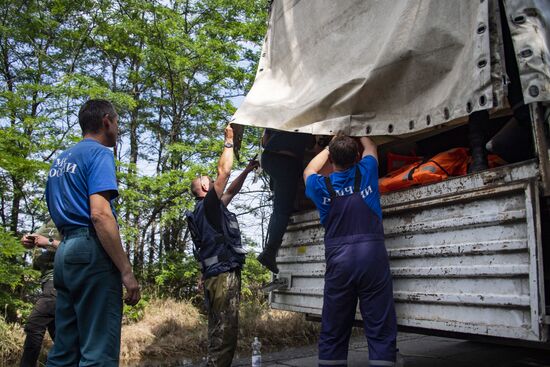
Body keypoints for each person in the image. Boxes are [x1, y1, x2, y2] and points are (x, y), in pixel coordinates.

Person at [45, 99, 140, 366]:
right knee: (98, 353)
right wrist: (125, 270)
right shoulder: (99, 154)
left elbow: (55, 209)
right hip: (90, 252)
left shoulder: (59, 161)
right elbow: (99, 214)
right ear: (106, 120)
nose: (118, 130)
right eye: (118, 123)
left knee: (65, 351)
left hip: (65, 255)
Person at [304, 135, 397, 367]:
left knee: (334, 327)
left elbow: (309, 169)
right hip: (371, 258)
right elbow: (371, 146)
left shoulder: (320, 185)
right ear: (357, 157)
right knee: (379, 326)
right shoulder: (366, 171)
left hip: (339, 263)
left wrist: (329, 145)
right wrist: (357, 131)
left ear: (331, 159)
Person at [186, 124, 258, 367]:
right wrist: (229, 141)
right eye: (211, 181)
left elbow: (231, 190)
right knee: (225, 332)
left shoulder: (206, 211)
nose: (215, 182)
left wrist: (248, 169)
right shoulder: (208, 207)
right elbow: (224, 173)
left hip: (212, 276)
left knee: (217, 329)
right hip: (222, 276)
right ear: (206, 188)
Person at [258, 129, 315, 274]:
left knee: (279, 205)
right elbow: (312, 146)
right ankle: (269, 253)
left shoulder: (281, 115)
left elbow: (264, 142)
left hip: (269, 158)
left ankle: (269, 249)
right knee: (282, 210)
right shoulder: (308, 120)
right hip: (286, 161)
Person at [19, 220, 61, 367]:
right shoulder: (49, 220)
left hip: (57, 281)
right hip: (46, 283)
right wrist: (28, 239)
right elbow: (37, 237)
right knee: (60, 336)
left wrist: (48, 241)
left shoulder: (71, 217)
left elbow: (75, 249)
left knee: (34, 325)